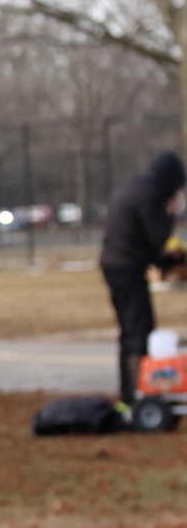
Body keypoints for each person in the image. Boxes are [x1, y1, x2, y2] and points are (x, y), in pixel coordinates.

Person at [100, 151, 187, 408]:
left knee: (130, 331)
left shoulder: (134, 186)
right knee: (139, 332)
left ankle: (129, 396)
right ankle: (137, 396)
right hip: (127, 268)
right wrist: (171, 212)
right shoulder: (151, 194)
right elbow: (158, 238)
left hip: (115, 264)